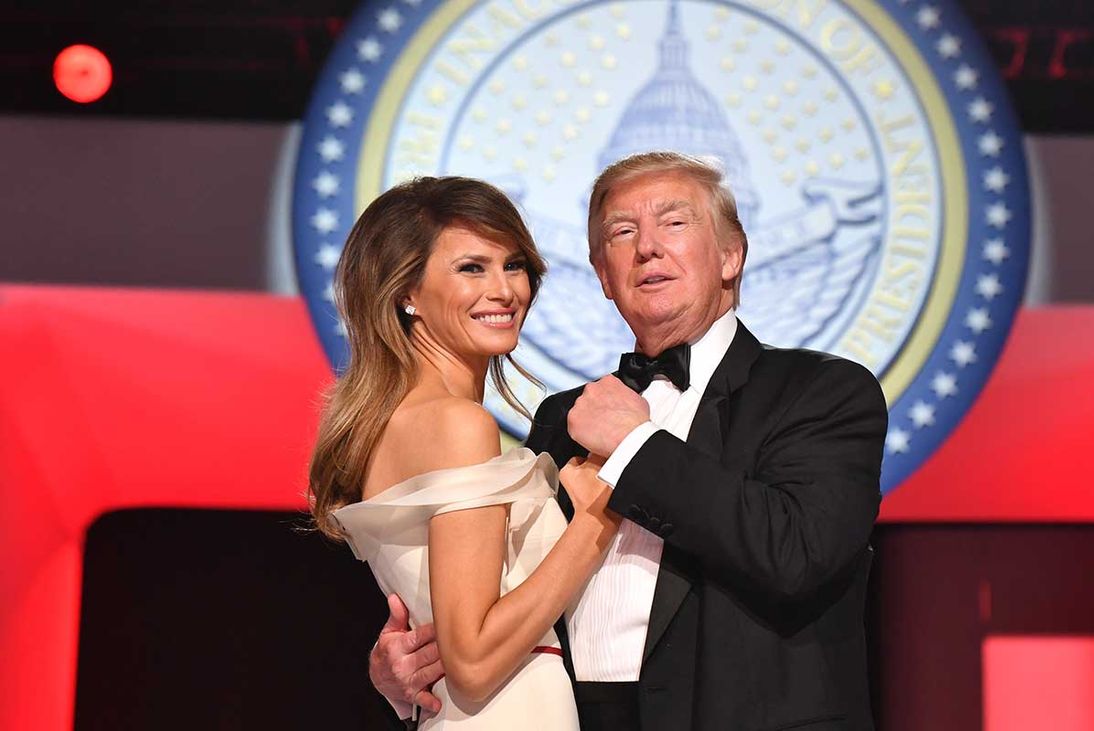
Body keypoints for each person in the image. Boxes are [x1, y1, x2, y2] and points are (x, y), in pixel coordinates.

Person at [373, 152, 888, 730]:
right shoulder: (561, 420)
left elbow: (796, 553)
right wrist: (417, 660)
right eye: (623, 232)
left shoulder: (821, 392)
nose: (647, 247)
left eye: (674, 223)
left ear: (731, 255)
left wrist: (636, 446)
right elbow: (510, 601)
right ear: (602, 275)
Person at [308, 176, 620, 729]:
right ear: (404, 292)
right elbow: (473, 660)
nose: (504, 290)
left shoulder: (402, 420)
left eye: (514, 265)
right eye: (472, 268)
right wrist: (599, 514)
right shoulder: (456, 425)